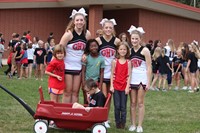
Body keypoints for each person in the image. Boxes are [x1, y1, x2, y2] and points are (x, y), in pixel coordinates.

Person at [59, 8, 91, 103]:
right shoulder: (69, 34)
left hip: (79, 67)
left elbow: (88, 49)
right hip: (68, 66)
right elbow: (59, 49)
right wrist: (54, 64)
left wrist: (85, 54)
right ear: (73, 21)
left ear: (84, 22)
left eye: (81, 20)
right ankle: (65, 112)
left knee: (75, 92)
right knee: (67, 91)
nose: (79, 22)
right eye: (77, 20)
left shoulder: (87, 34)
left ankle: (73, 112)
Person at [96, 18, 121, 128]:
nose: (108, 29)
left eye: (110, 28)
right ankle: (101, 118)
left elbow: (123, 52)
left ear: (113, 29)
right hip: (101, 72)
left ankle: (105, 118)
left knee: (109, 98)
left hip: (112, 73)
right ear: (103, 28)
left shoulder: (116, 41)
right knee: (103, 96)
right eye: (106, 27)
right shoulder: (98, 40)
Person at [127, 25, 151, 133]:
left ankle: (140, 125)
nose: (134, 40)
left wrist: (149, 82)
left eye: (136, 38)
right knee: (132, 103)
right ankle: (133, 124)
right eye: (133, 38)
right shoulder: (130, 51)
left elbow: (149, 67)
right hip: (133, 78)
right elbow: (130, 67)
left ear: (140, 39)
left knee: (140, 102)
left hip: (142, 78)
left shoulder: (145, 50)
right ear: (130, 39)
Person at [110, 42, 131, 129]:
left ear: (127, 51)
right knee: (117, 106)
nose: (122, 51)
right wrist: (111, 85)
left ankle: (123, 123)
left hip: (124, 87)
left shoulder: (128, 62)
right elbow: (112, 74)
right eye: (121, 49)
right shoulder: (115, 61)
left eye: (124, 49)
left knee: (123, 106)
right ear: (118, 50)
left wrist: (127, 87)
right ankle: (117, 122)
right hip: (116, 87)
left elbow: (129, 75)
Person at [82, 39, 105, 104]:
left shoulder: (101, 59)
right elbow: (83, 71)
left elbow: (101, 72)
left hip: (95, 82)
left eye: (95, 46)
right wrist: (83, 83)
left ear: (98, 46)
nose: (94, 47)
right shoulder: (86, 58)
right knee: (86, 100)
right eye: (91, 46)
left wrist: (100, 84)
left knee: (94, 101)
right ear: (88, 48)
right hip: (87, 81)